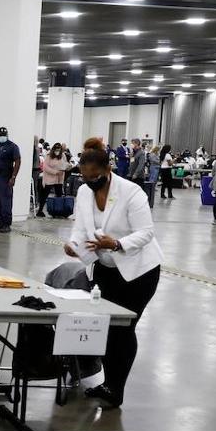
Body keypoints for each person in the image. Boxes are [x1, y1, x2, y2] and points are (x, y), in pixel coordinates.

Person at [63, 137, 163, 410]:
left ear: (108, 170)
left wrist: (117, 243)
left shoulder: (131, 192)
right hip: (105, 268)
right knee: (105, 329)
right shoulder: (84, 192)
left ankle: (116, 389)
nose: (88, 181)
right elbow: (80, 227)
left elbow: (146, 232)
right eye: (84, 177)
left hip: (138, 272)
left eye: (94, 176)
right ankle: (109, 384)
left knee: (123, 328)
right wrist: (73, 245)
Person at [36, 142, 70, 217]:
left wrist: (68, 166)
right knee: (45, 195)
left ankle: (58, 211)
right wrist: (55, 172)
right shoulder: (49, 155)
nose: (57, 151)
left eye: (59, 150)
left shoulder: (63, 155)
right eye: (56, 149)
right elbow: (45, 167)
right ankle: (40, 211)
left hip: (59, 179)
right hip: (49, 178)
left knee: (59, 195)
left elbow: (65, 164)